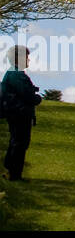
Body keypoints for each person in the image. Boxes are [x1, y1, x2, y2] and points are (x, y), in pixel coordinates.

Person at [2, 45, 42, 181]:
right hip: (19, 113)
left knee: (18, 141)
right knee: (20, 142)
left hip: (17, 112)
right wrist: (37, 98)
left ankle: (10, 170)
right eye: (26, 57)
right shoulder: (16, 75)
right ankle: (14, 174)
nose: (28, 60)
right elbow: (27, 95)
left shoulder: (14, 73)